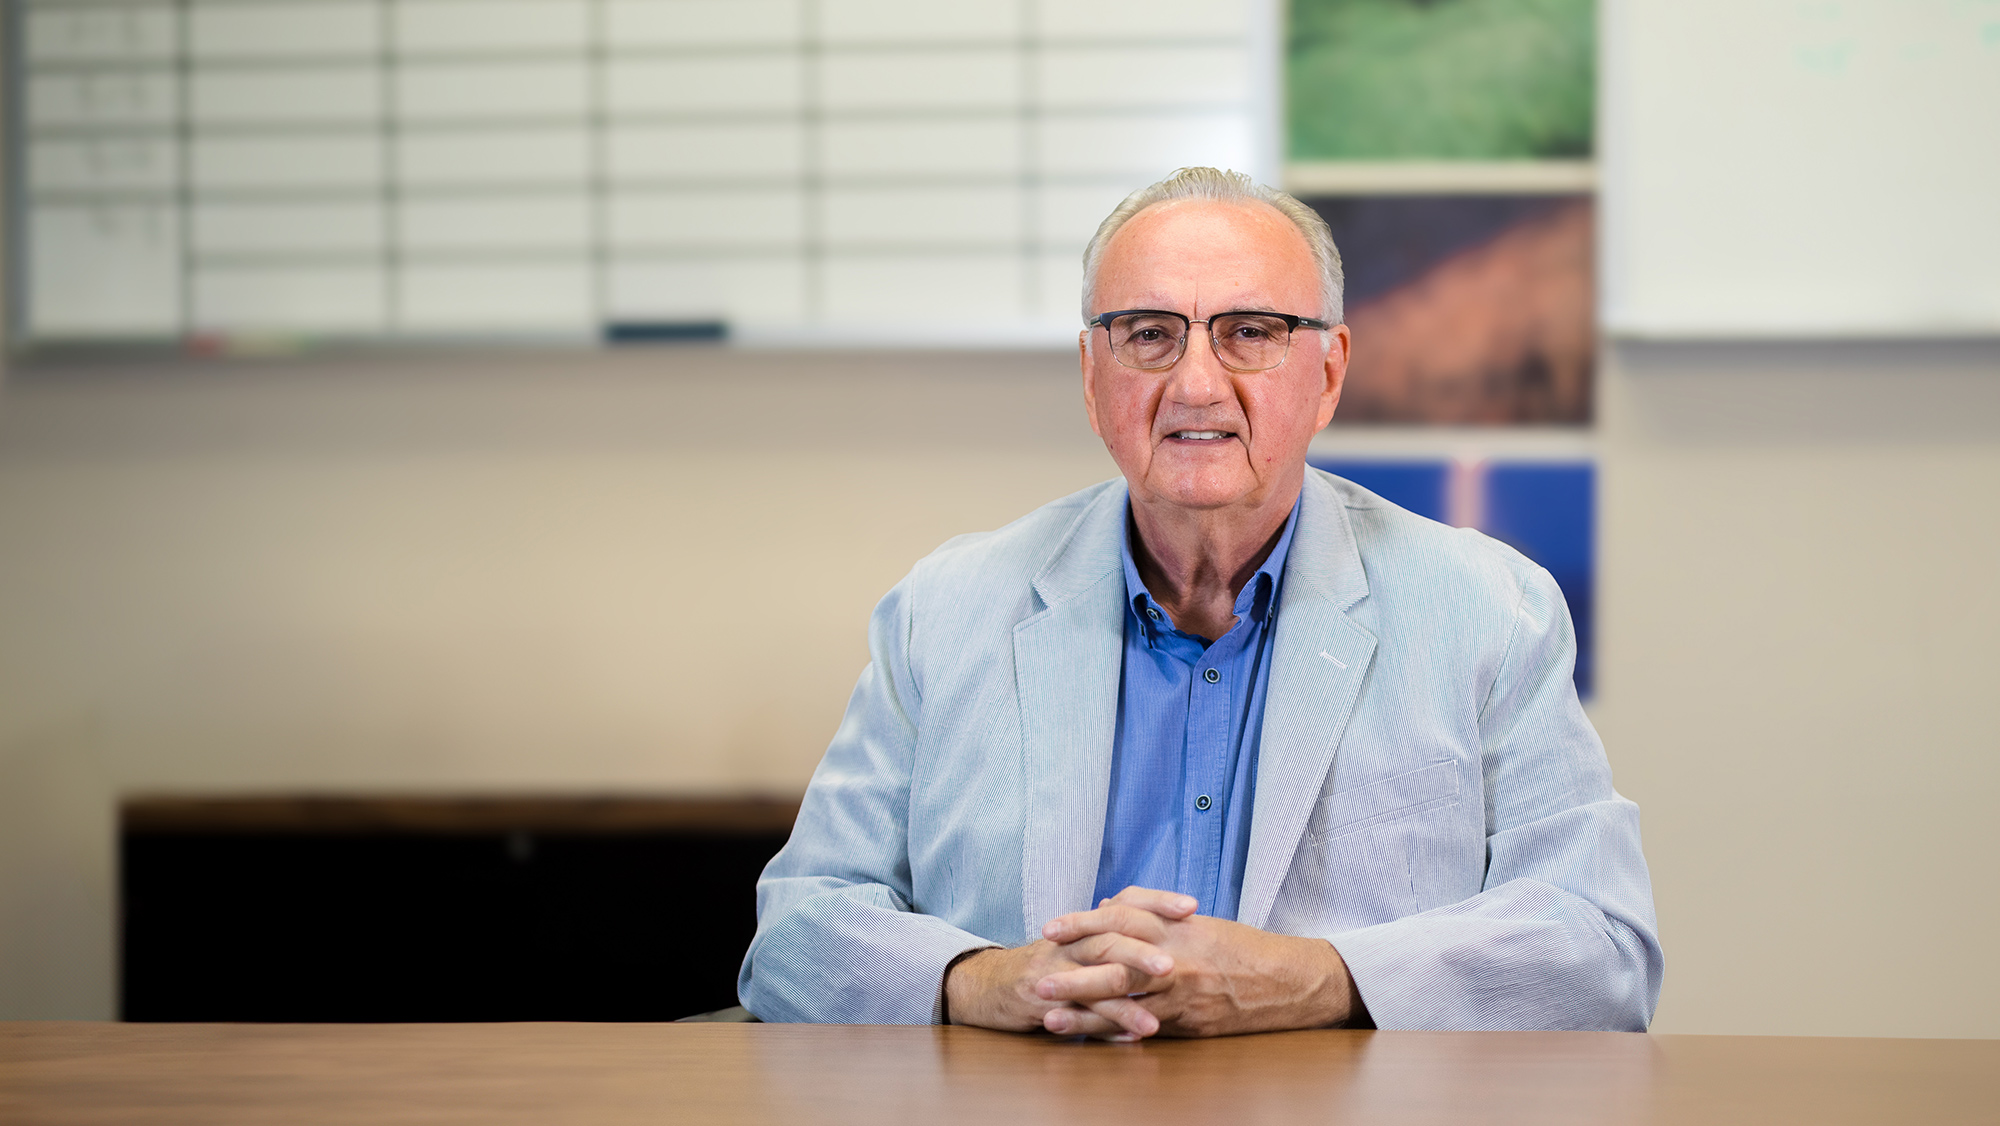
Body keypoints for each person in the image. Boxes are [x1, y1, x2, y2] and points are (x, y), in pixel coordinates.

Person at [737, 167, 1661, 1039]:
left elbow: (1601, 944)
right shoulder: (942, 610)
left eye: (1250, 332)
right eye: (1148, 333)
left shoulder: (1490, 610)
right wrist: (986, 982)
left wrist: (1310, 980)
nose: (1195, 383)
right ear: (1092, 378)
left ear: (1330, 372)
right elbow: (795, 934)